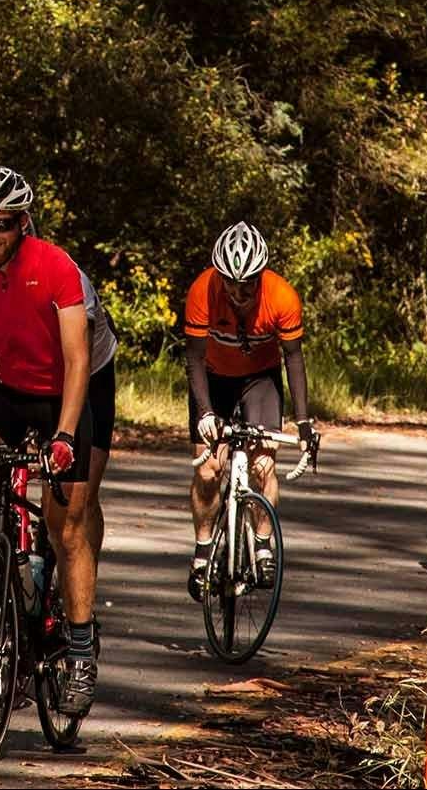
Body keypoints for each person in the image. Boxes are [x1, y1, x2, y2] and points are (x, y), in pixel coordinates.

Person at [0, 165, 118, 719]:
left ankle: (80, 651)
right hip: (9, 385)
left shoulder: (56, 267)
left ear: (22, 223)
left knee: (68, 523)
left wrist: (61, 436)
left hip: (77, 387)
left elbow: (78, 359)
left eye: (2, 225)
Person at [182, 221, 317, 599]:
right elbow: (192, 360)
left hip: (260, 378)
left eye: (247, 285)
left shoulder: (282, 297)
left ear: (261, 277)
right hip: (213, 378)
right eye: (230, 284)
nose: (238, 293)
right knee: (208, 470)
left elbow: (294, 359)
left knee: (262, 465)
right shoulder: (202, 290)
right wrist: (206, 413)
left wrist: (303, 422)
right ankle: (203, 550)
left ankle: (261, 543)